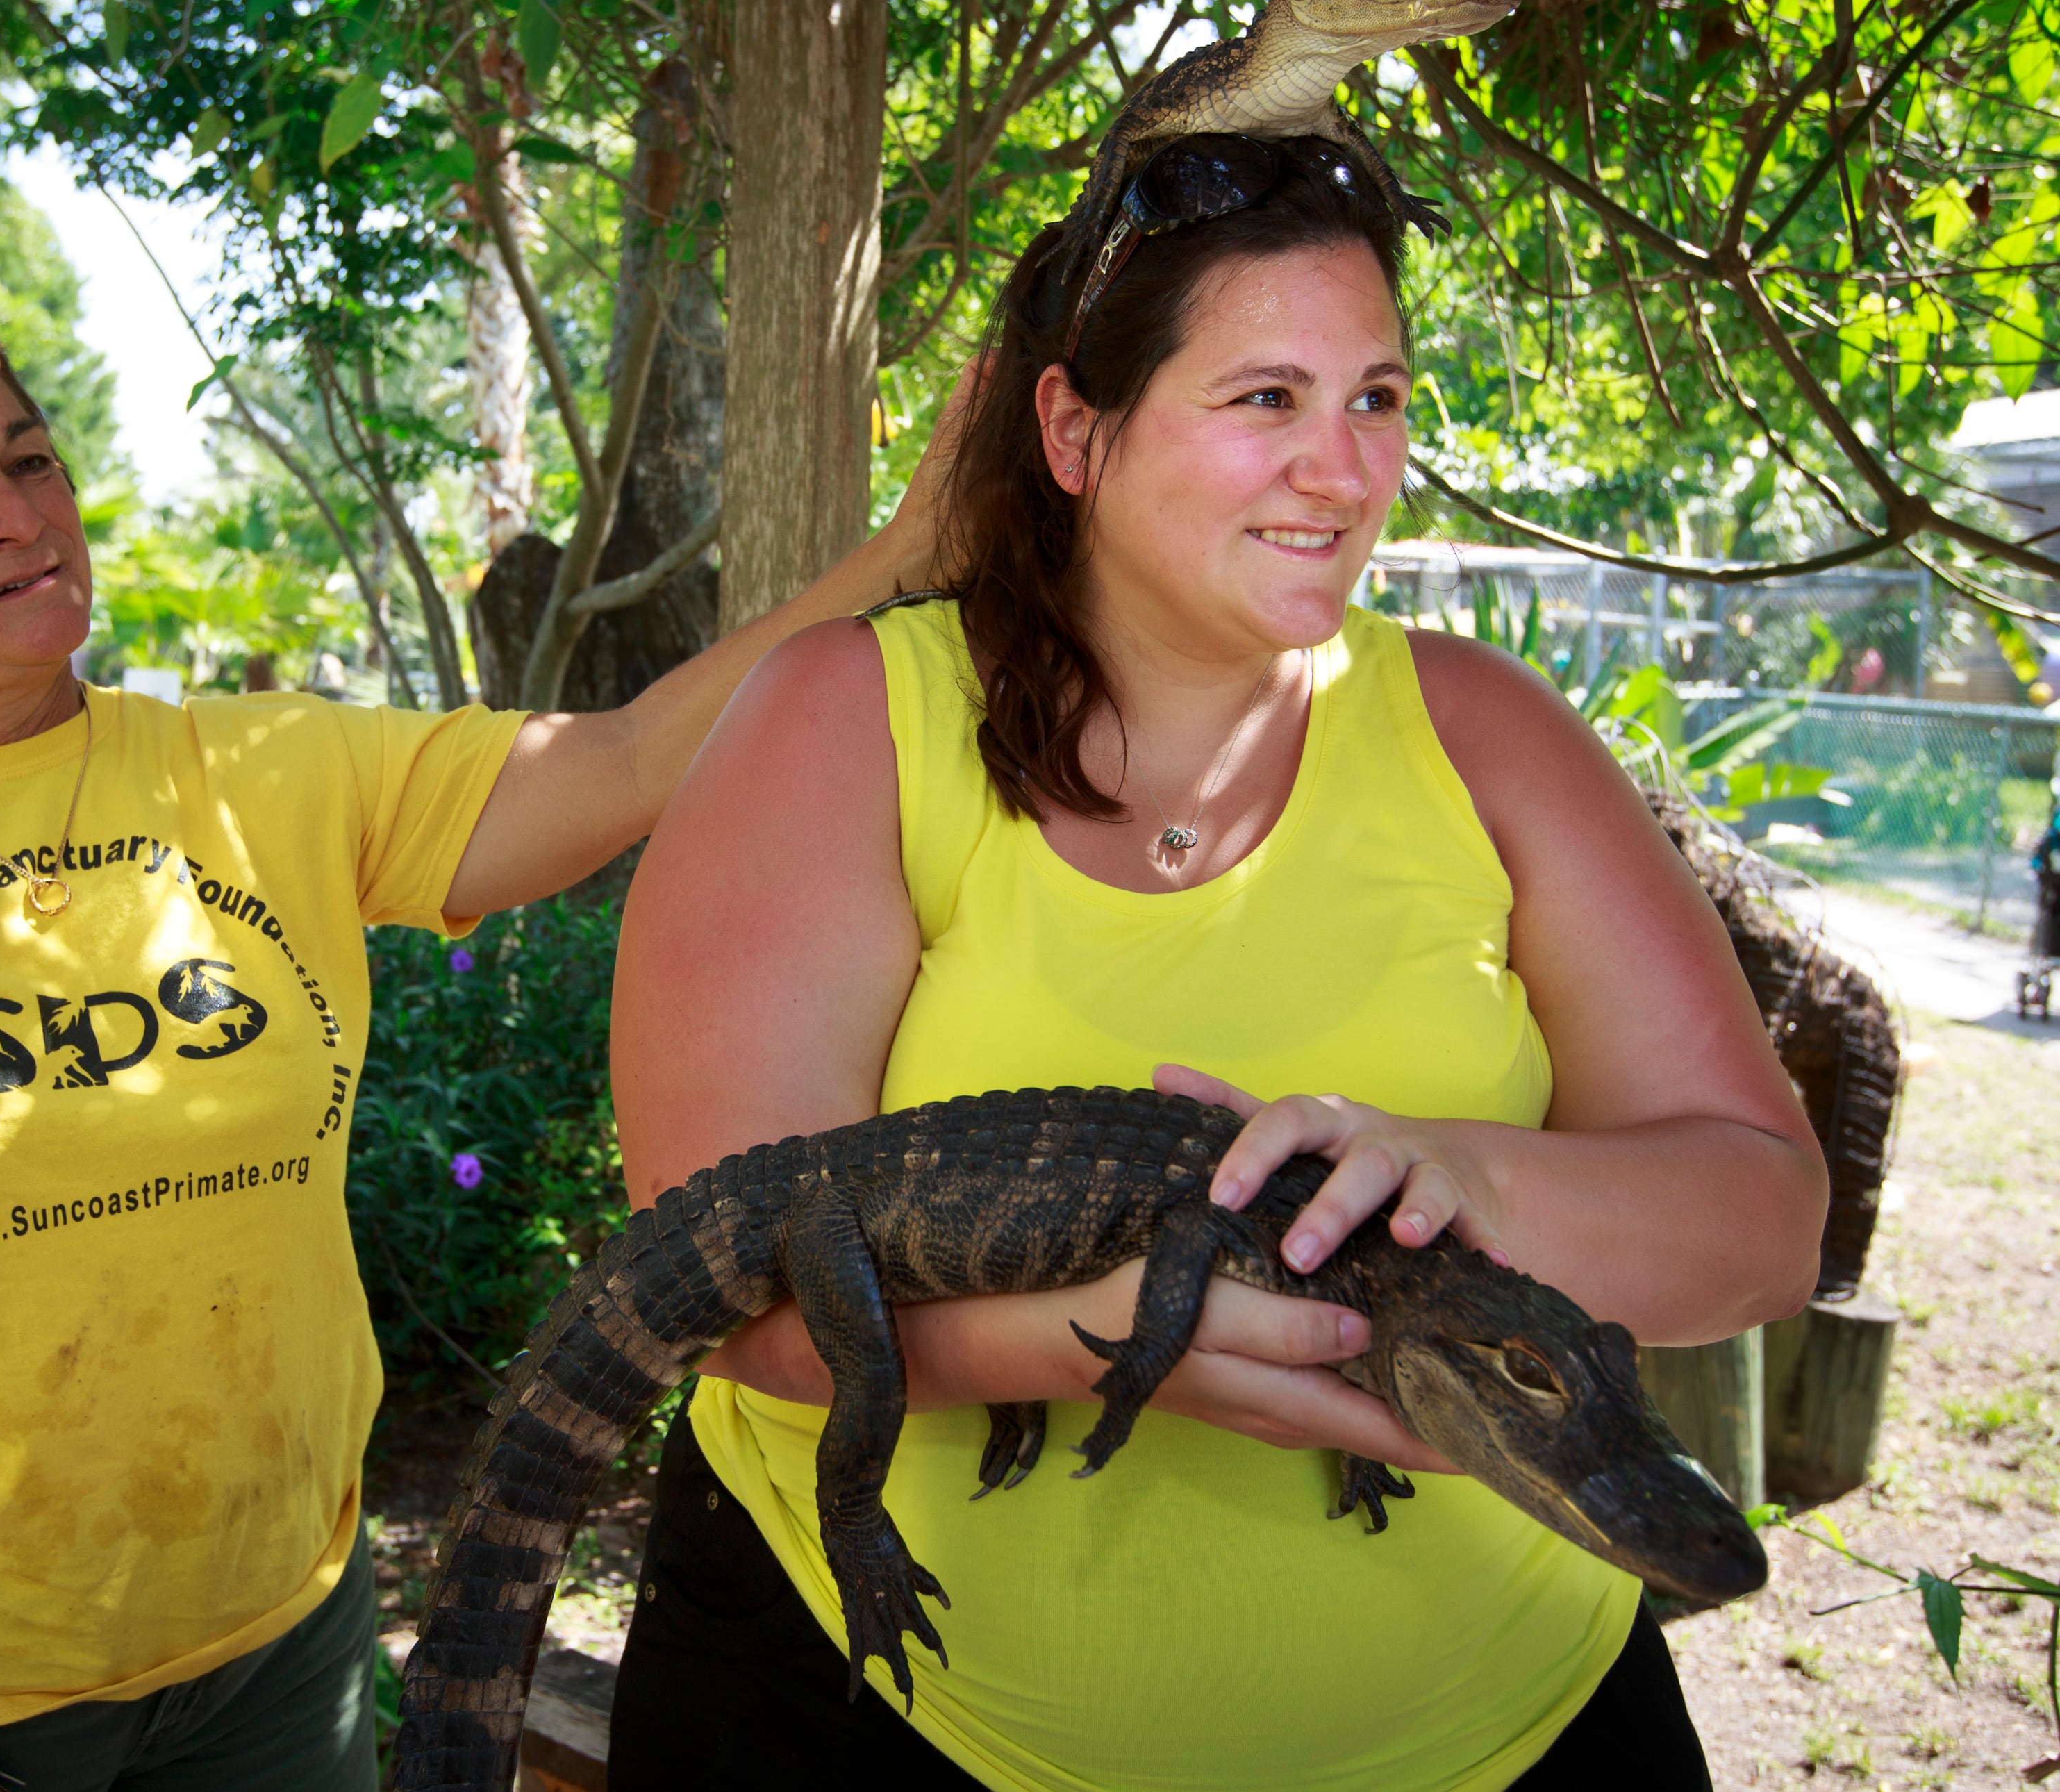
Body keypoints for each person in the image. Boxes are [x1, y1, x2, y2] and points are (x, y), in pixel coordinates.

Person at [0, 306, 939, 1788]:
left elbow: (622, 758)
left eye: (28, 460)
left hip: (276, 1672)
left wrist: (928, 530)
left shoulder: (266, 774)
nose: (14, 516)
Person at [604, 139, 1826, 1792]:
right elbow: (721, 1280)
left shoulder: (1494, 733)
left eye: (1378, 398)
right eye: (1266, 398)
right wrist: (1094, 1338)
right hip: (877, 1714)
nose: (1346, 468)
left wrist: (1435, 1171)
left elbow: (1764, 1220)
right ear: (1072, 430)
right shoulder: (844, 719)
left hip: (1520, 1728)